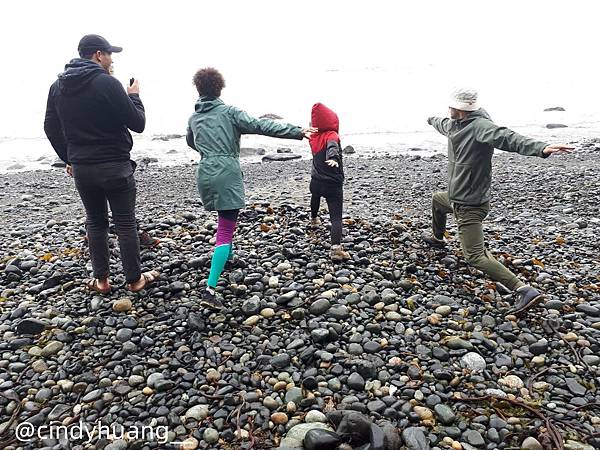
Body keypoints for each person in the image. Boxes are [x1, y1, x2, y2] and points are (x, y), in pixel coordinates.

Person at [424, 88, 574, 316]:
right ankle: (437, 238)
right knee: (437, 200)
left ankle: (523, 289)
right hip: (455, 198)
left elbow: (507, 137)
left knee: (474, 257)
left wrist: (541, 148)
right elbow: (441, 123)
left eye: (451, 107)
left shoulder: (480, 128)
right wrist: (430, 119)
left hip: (470, 205)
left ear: (461, 109)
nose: (448, 110)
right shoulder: (455, 125)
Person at [186, 67, 315, 309]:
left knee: (224, 220)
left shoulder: (194, 117)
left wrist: (211, 154)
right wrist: (298, 132)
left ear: (198, 88)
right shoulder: (229, 112)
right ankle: (210, 289)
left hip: (204, 171)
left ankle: (228, 258)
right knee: (224, 229)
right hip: (226, 171)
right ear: (220, 87)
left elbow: (192, 141)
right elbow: (262, 125)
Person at [44, 34, 159, 294]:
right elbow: (137, 123)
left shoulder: (57, 86)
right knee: (126, 223)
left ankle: (102, 281)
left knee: (95, 222)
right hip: (115, 165)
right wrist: (134, 96)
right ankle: (134, 280)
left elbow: (50, 127)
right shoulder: (107, 83)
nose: (111, 60)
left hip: (83, 168)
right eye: (109, 55)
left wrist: (69, 158)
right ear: (98, 54)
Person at [307, 103, 350, 261]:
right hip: (332, 184)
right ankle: (336, 249)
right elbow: (332, 147)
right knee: (336, 218)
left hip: (316, 180)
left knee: (315, 197)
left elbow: (312, 132)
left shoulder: (313, 137)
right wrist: (333, 158)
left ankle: (313, 220)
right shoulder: (332, 134)